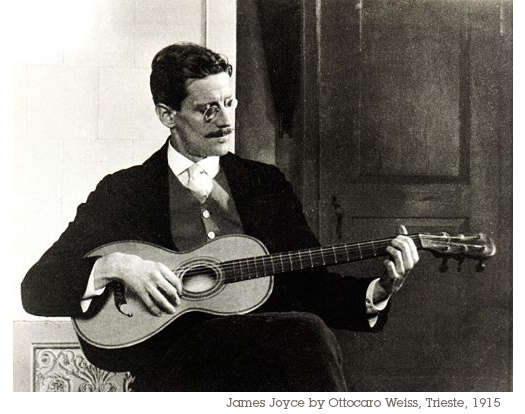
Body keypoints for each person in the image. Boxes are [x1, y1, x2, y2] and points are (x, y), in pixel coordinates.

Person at [21, 43, 419, 392]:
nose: (226, 121)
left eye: (229, 103)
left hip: (265, 368)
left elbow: (312, 287)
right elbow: (36, 289)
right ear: (167, 114)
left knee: (305, 331)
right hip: (176, 373)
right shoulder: (125, 192)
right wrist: (115, 265)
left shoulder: (266, 184)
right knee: (305, 333)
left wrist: (380, 289)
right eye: (207, 109)